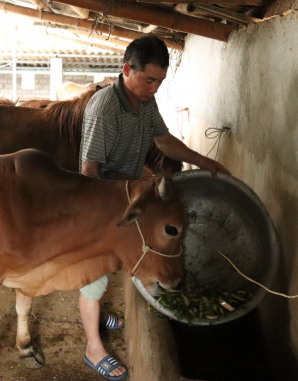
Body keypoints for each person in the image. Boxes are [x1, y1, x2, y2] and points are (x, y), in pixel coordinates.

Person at [78, 35, 229, 380]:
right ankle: (93, 347)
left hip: (131, 197)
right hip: (103, 199)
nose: (155, 88)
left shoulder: (144, 103)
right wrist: (114, 214)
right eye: (150, 80)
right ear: (127, 69)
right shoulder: (105, 107)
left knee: (121, 264)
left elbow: (163, 141)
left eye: (160, 81)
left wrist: (205, 162)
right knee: (95, 275)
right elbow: (89, 171)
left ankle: (96, 316)